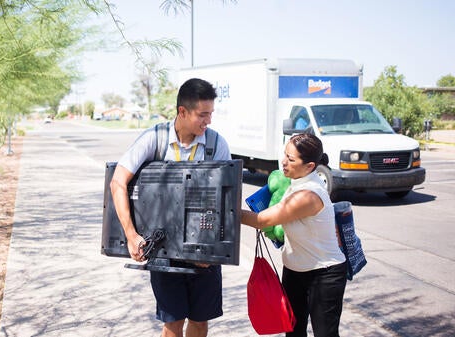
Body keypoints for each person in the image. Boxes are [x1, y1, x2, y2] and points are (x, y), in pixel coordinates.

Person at [109, 78, 231, 337]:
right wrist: (132, 237)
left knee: (200, 321)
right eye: (202, 115)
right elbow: (118, 182)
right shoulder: (155, 138)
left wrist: (210, 255)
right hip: (164, 250)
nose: (208, 121)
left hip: (204, 252)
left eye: (211, 114)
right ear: (182, 112)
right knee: (173, 322)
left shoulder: (217, 144)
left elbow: (226, 201)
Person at [241, 133, 347, 337]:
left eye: (291, 159)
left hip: (324, 273)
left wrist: (226, 211)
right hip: (294, 269)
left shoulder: (309, 195)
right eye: (285, 155)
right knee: (293, 331)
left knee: (325, 334)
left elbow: (263, 220)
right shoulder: (294, 182)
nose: (283, 162)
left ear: (309, 166)